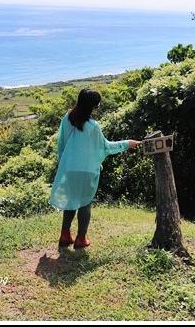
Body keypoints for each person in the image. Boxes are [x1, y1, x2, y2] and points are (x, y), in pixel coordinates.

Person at [49, 88, 141, 249]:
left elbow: (61, 144)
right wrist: (127, 144)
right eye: (97, 106)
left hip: (69, 168)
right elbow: (105, 147)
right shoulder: (92, 126)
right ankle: (81, 239)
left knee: (71, 199)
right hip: (86, 170)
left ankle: (65, 235)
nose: (97, 108)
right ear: (91, 106)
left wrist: (63, 165)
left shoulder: (67, 118)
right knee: (85, 203)